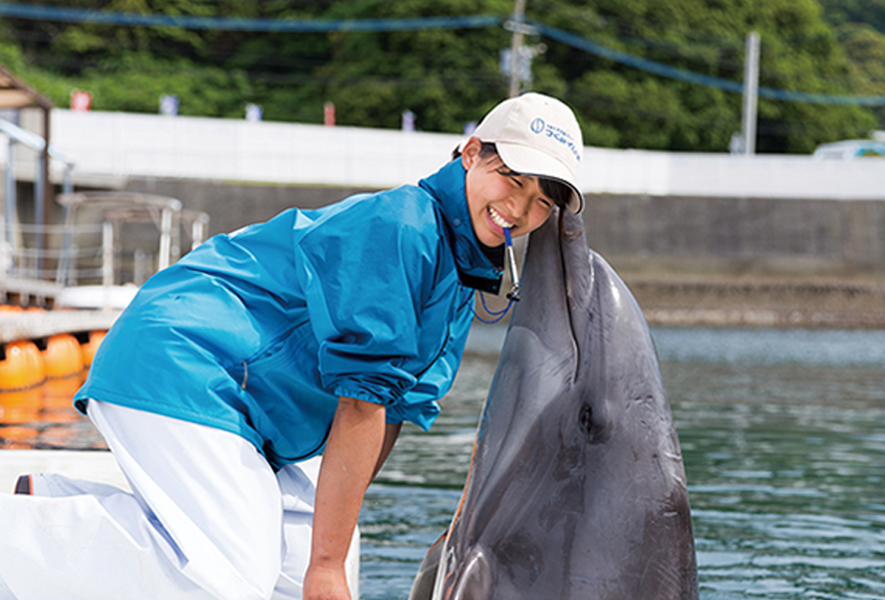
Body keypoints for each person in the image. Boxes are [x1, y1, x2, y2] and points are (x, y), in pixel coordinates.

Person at [0, 92, 584, 600]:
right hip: (188, 362)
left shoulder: (461, 275)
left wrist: (326, 552)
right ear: (471, 150)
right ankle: (16, 532)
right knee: (228, 579)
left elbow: (391, 415)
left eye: (541, 201)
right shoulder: (405, 228)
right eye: (512, 178)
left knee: (285, 571)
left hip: (250, 408)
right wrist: (325, 569)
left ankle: (48, 499)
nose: (519, 208)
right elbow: (363, 402)